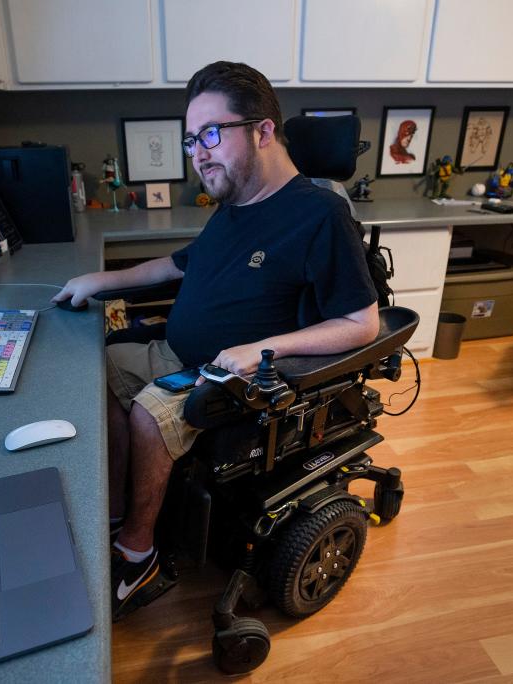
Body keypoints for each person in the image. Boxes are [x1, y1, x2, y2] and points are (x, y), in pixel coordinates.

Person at [51, 61, 380, 621]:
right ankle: (115, 511)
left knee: (150, 414)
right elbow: (178, 265)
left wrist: (263, 349)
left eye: (210, 134)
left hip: (236, 381)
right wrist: (99, 282)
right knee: (86, 372)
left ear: (263, 131)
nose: (198, 152)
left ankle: (138, 554)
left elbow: (363, 322)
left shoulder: (319, 214)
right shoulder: (236, 204)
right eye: (191, 139)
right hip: (176, 352)